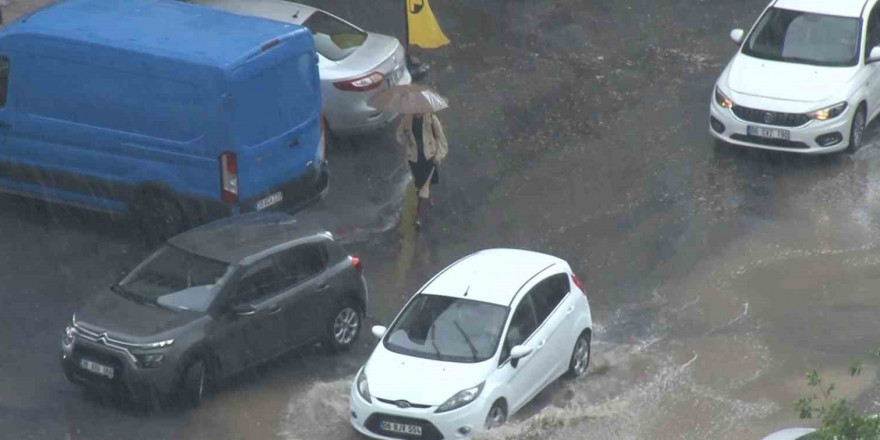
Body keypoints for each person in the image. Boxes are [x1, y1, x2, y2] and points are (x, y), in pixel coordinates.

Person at [396, 112, 448, 229]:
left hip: (429, 159)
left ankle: (419, 218)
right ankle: (427, 199)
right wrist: (405, 135)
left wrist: (438, 156)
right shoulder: (407, 120)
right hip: (414, 159)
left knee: (423, 188)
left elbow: (441, 139)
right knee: (420, 185)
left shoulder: (431, 119)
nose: (416, 111)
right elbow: (399, 137)